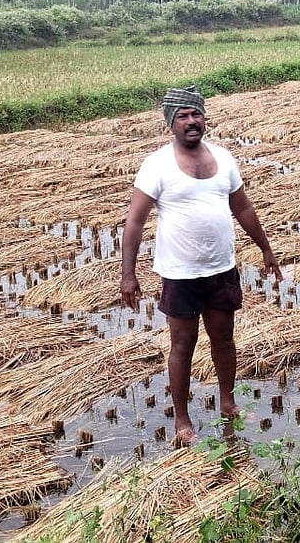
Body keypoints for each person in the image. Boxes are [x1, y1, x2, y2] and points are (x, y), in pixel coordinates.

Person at [120, 86, 280, 446]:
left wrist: (266, 250)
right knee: (183, 344)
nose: (191, 121)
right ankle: (182, 420)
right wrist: (128, 275)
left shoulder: (224, 159)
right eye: (183, 116)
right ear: (170, 124)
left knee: (224, 338)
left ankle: (228, 402)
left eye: (196, 114)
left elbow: (243, 208)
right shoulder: (156, 165)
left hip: (221, 268)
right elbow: (134, 222)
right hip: (180, 274)